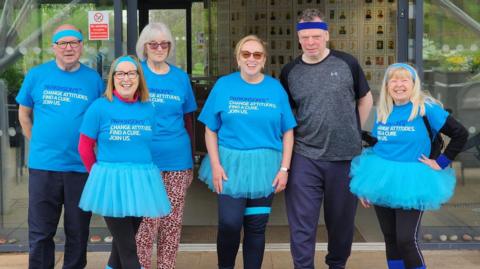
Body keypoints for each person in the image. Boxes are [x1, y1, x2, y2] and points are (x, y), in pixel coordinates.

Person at [350, 63, 468, 269]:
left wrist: (441, 162)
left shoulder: (426, 109)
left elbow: (460, 134)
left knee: (405, 239)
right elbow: (378, 147)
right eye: (393, 80)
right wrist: (365, 186)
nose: (399, 84)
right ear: (387, 86)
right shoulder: (384, 111)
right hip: (382, 177)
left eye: (404, 79)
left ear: (414, 84)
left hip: (413, 180)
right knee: (390, 238)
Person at [280, 8, 373, 269]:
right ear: (298, 38)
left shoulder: (347, 63)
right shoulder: (290, 72)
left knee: (341, 224)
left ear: (327, 36)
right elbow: (286, 116)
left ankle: (336, 265)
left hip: (344, 157)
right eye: (305, 37)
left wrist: (354, 130)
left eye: (316, 36)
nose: (311, 42)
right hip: (304, 157)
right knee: (301, 223)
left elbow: (365, 98)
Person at [198, 35, 296, 269]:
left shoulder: (275, 88)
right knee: (230, 224)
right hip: (229, 165)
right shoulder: (224, 85)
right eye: (246, 54)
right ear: (238, 59)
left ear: (264, 60)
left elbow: (288, 132)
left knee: (256, 226)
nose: (251, 59)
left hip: (265, 166)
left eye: (257, 54)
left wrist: (284, 168)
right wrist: (215, 164)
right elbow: (210, 129)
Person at [16, 24, 104, 269]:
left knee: (78, 231)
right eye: (63, 43)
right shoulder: (36, 75)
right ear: (53, 47)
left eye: (74, 42)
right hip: (44, 167)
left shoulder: (93, 79)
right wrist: (39, 142)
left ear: (81, 46)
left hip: (80, 167)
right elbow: (24, 115)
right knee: (41, 232)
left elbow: (100, 118)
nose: (69, 48)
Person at [77, 55, 171, 269]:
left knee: (120, 248)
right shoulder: (99, 107)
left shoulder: (148, 108)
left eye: (131, 73)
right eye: (120, 73)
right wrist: (98, 177)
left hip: (141, 183)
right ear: (113, 78)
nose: (125, 78)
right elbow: (84, 147)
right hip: (111, 183)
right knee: (129, 249)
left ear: (139, 77)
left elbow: (147, 145)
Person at [134, 22, 197, 269]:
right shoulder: (136, 74)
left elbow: (188, 120)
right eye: (154, 43)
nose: (159, 48)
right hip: (144, 160)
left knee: (171, 222)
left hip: (177, 159)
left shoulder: (180, 78)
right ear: (145, 47)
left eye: (164, 43)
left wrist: (192, 161)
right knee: (147, 222)